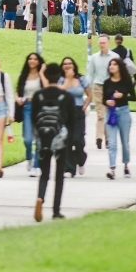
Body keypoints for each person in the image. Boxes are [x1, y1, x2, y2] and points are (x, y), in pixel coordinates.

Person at [31, 62, 76, 221]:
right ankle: (56, 211)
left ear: (46, 76)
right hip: (60, 139)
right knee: (59, 176)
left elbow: (34, 118)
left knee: (44, 173)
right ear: (59, 77)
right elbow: (71, 120)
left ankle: (40, 198)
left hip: (43, 138)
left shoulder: (38, 95)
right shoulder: (66, 97)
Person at [85, 33, 120, 150]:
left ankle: (108, 138)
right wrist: (86, 87)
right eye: (100, 43)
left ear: (108, 43)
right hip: (98, 87)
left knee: (109, 114)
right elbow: (90, 74)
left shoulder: (115, 57)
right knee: (101, 114)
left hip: (112, 88)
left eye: (104, 43)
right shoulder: (94, 57)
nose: (102, 45)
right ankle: (99, 138)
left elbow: (120, 74)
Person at [103, 55, 136, 179]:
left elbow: (133, 97)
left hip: (123, 112)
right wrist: (107, 102)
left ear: (120, 67)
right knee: (112, 143)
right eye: (110, 64)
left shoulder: (126, 81)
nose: (111, 66)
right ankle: (112, 169)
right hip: (110, 113)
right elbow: (102, 99)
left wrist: (122, 96)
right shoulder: (107, 82)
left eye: (114, 64)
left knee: (125, 142)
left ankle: (126, 166)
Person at [58, 56, 90, 176]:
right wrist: (68, 78)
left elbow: (89, 94)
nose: (67, 65)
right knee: (67, 141)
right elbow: (61, 92)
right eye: (65, 64)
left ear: (74, 65)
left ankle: (81, 159)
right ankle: (69, 169)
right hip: (65, 112)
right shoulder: (61, 80)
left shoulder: (81, 79)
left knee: (78, 140)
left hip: (78, 111)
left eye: (70, 63)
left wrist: (85, 105)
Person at [14, 52, 45, 177]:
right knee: (27, 139)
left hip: (39, 108)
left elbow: (47, 87)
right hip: (26, 107)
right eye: (30, 59)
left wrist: (42, 73)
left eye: (35, 59)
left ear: (39, 61)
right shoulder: (24, 75)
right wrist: (18, 99)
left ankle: (36, 166)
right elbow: (17, 91)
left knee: (38, 139)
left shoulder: (42, 75)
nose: (32, 61)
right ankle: (29, 157)